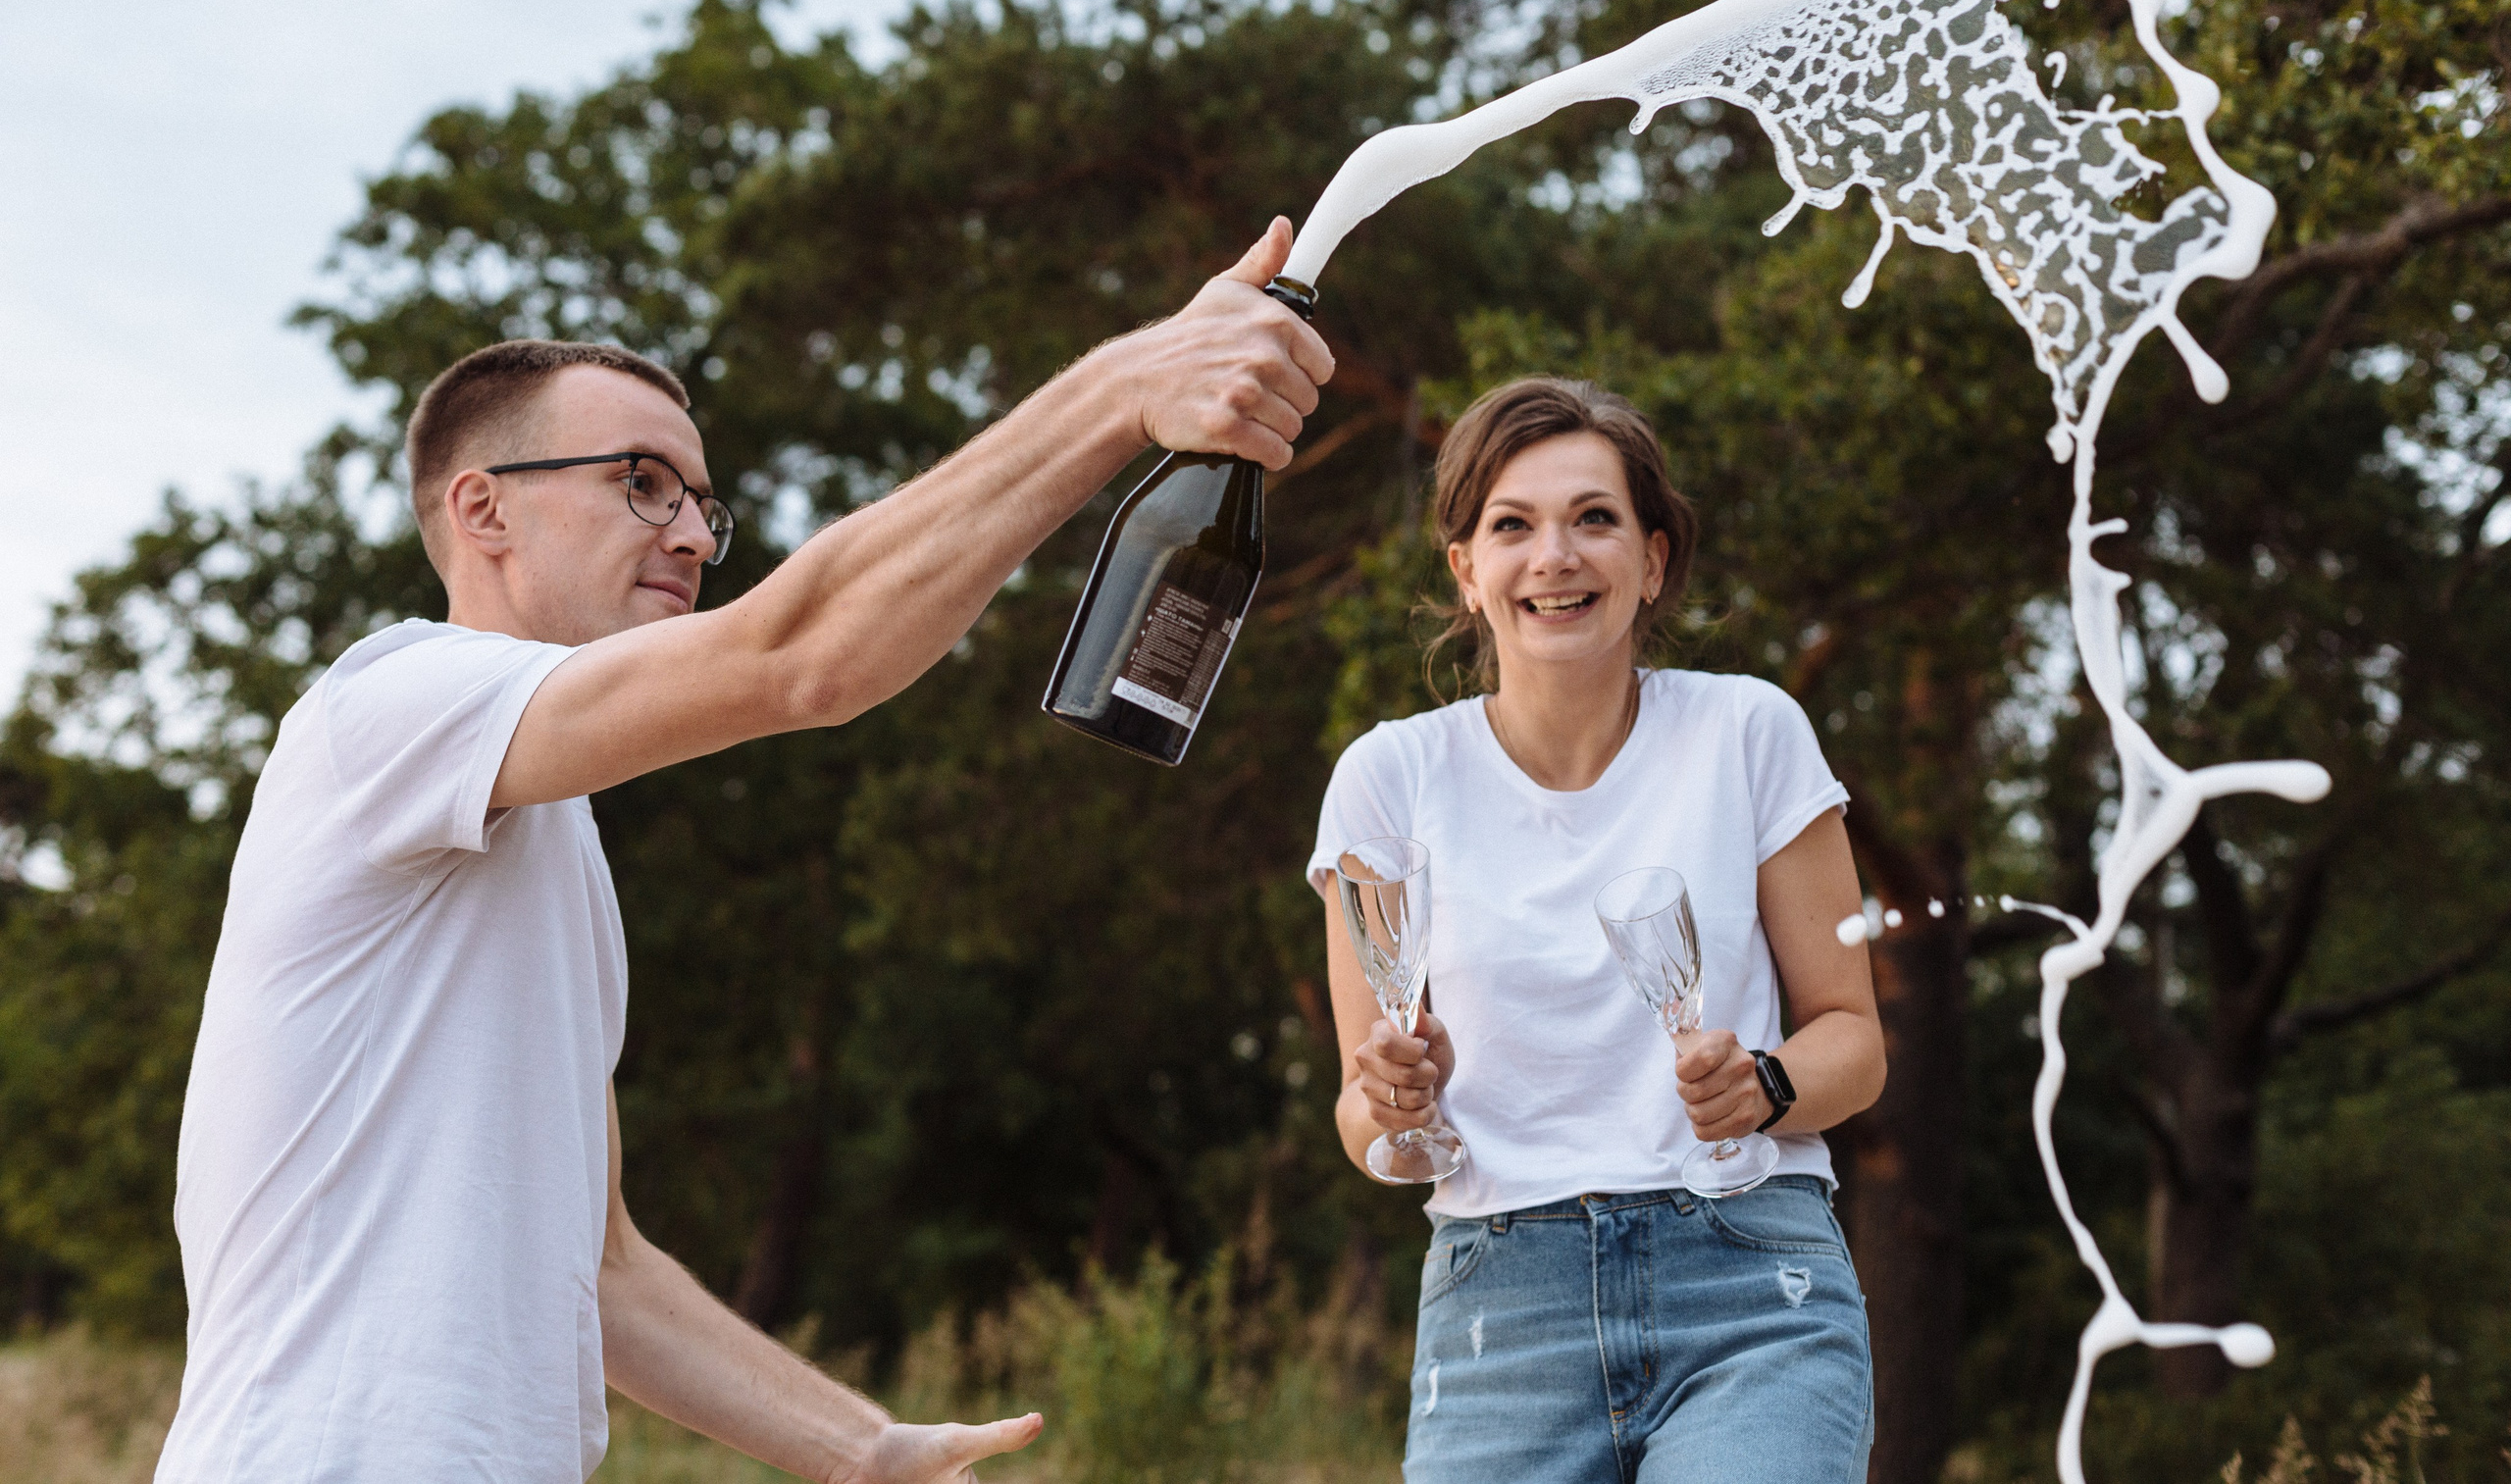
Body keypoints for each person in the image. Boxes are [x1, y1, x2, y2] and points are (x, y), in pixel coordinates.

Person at [155, 222, 1333, 1484]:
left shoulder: (545, 843)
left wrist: (865, 1449)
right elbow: (800, 655)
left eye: (702, 506)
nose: (690, 536)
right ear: (482, 508)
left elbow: (599, 1271)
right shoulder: (388, 705)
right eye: (640, 482)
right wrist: (1122, 392)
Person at [1308, 376, 1886, 1484]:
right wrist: (1389, 1097)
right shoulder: (1388, 778)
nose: (1555, 556)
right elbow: (1361, 1115)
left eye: (1594, 519)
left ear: (1652, 561)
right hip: (1500, 1311)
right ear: (1465, 571)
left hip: (1750, 1288)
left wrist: (1763, 1084)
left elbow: (1851, 1041)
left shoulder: (1747, 732)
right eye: (1511, 526)